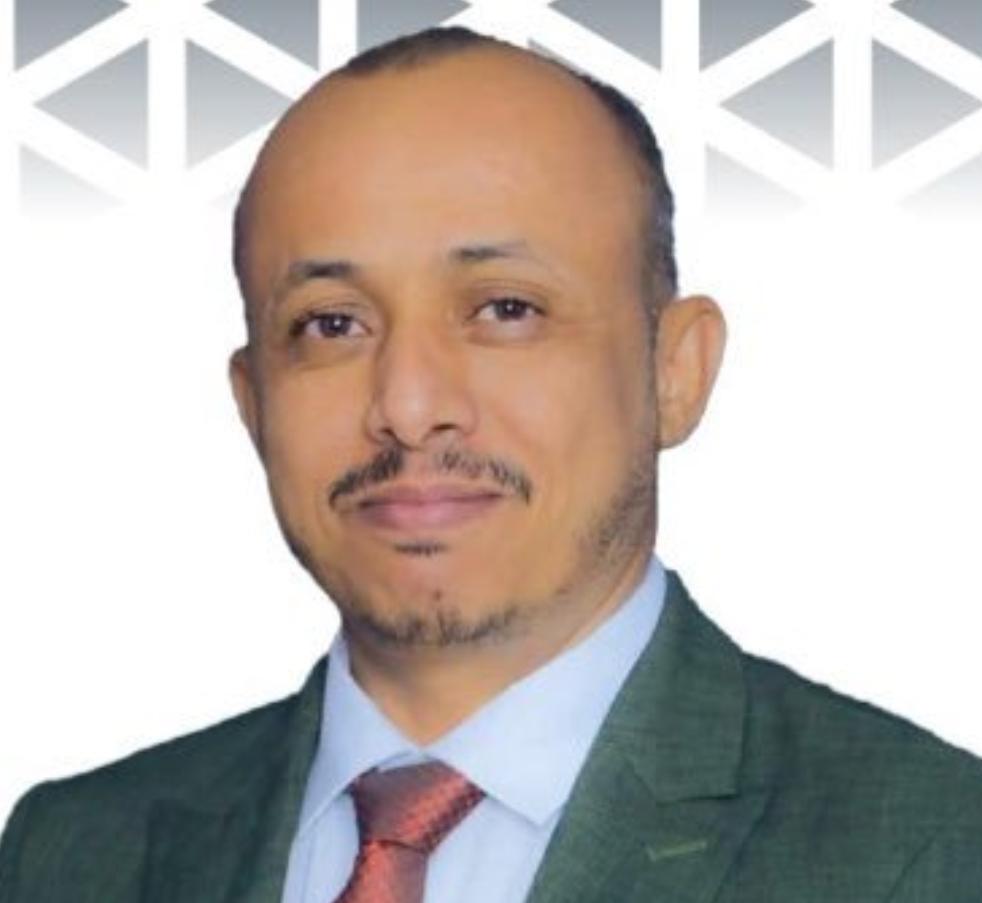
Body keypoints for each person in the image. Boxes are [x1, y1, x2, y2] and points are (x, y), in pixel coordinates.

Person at [1, 25, 981, 903]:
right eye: (332, 324)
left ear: (675, 372)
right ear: (253, 402)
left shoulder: (933, 849)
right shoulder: (66, 852)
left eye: (506, 309)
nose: (408, 405)